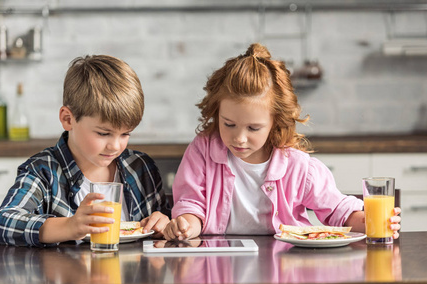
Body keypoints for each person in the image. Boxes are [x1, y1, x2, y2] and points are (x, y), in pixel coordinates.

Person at [163, 43, 401, 241]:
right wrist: (188, 225)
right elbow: (191, 202)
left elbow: (336, 209)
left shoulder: (297, 166)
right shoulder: (203, 151)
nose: (239, 137)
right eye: (228, 124)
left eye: (253, 128)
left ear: (276, 122)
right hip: (219, 264)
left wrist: (369, 221)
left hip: (286, 265)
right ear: (216, 112)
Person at [0, 55, 170, 247]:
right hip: (68, 275)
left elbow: (166, 221)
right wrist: (69, 226)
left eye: (126, 134)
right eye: (103, 133)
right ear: (68, 119)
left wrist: (165, 223)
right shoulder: (43, 171)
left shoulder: (142, 168)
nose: (116, 146)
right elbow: (3, 223)